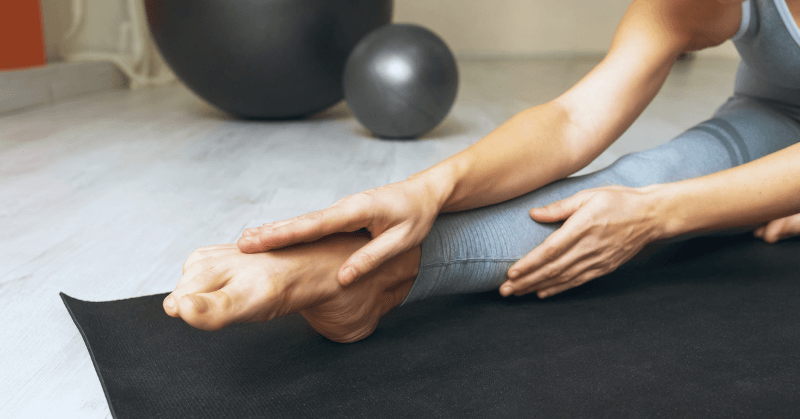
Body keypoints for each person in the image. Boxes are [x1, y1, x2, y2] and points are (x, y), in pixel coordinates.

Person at [163, 0, 800, 343]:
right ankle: (362, 273)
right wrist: (429, 188)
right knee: (634, 185)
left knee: (652, 207)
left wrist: (663, 216)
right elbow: (573, 121)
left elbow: (658, 211)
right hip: (778, 116)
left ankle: (362, 273)